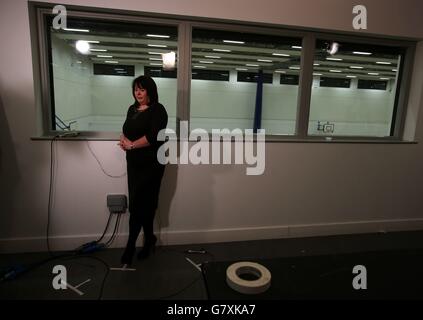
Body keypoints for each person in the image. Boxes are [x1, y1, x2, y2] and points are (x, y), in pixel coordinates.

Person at [118, 75, 168, 265]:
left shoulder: (158, 109)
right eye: (135, 89)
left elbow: (154, 136)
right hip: (134, 164)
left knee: (140, 204)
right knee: (140, 203)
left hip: (152, 165)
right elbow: (126, 129)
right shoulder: (132, 109)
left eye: (142, 89)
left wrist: (131, 146)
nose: (137, 92)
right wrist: (123, 140)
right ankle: (150, 240)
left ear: (150, 91)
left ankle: (130, 246)